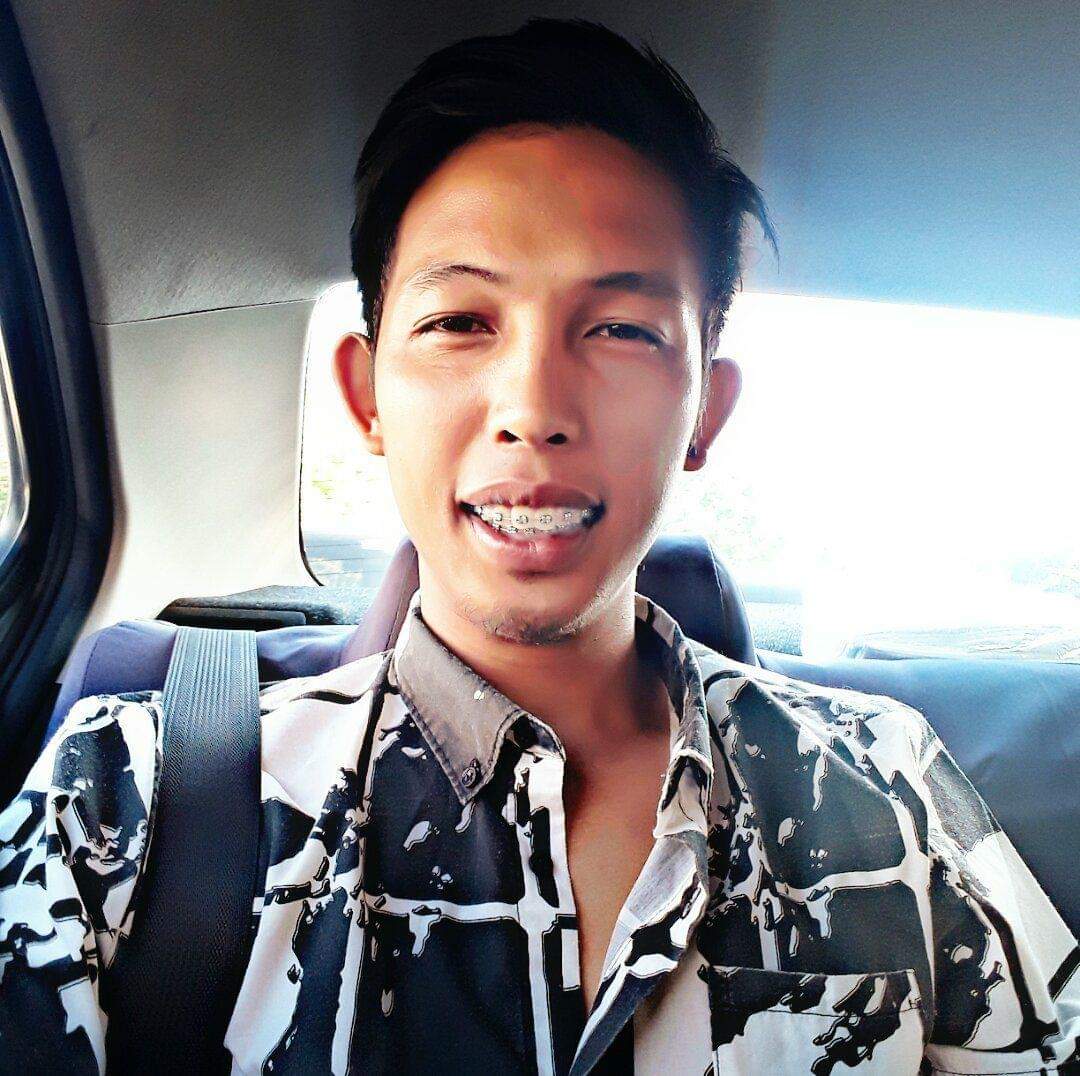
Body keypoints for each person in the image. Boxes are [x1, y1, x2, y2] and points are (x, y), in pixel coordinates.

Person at [0, 17, 1076, 1075]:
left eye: (621, 330)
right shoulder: (131, 796)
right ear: (366, 397)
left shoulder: (889, 790)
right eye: (461, 323)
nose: (534, 408)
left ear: (705, 413)